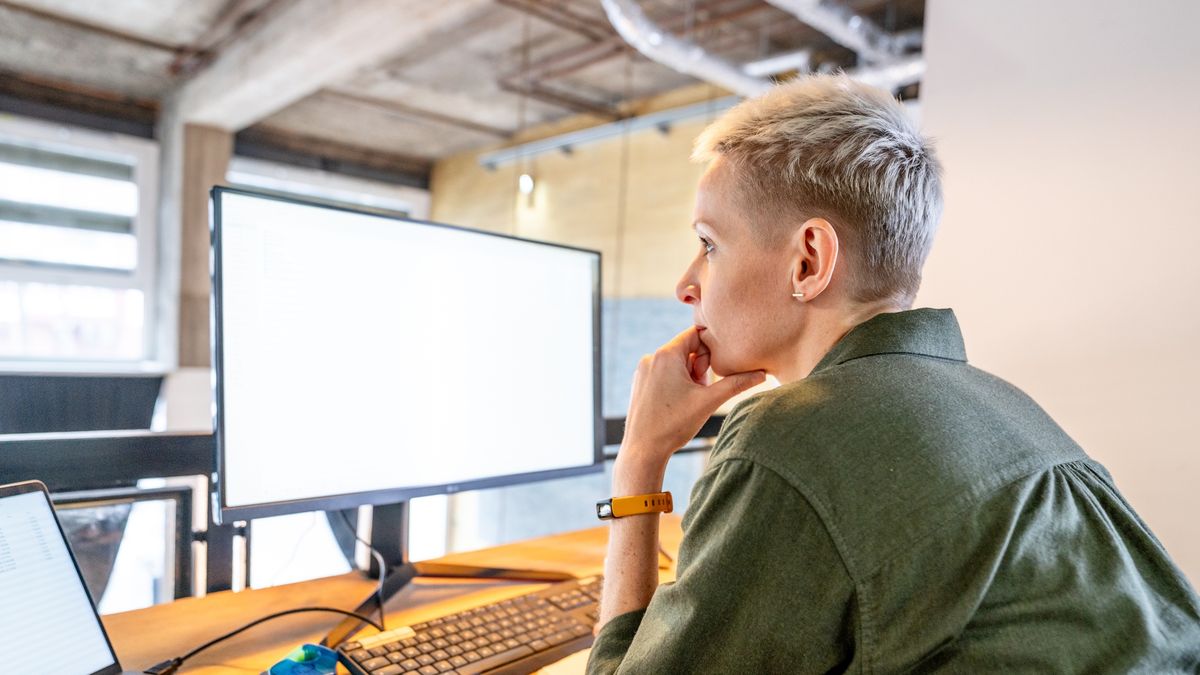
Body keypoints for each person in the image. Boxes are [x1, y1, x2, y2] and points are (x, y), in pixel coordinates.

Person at [585, 74, 1200, 673]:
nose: (686, 284)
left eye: (709, 244)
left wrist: (640, 457)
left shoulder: (789, 439)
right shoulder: (1008, 407)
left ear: (808, 261)